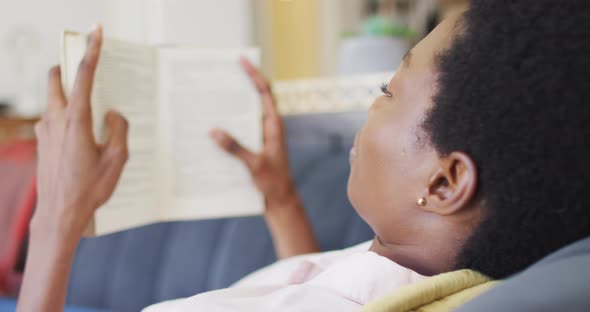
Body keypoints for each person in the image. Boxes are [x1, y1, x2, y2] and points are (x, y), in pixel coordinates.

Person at [16, 0, 590, 310]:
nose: (374, 102)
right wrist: (281, 199)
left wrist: (57, 219)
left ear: (444, 185)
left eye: (389, 90)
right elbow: (330, 286)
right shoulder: (425, 267)